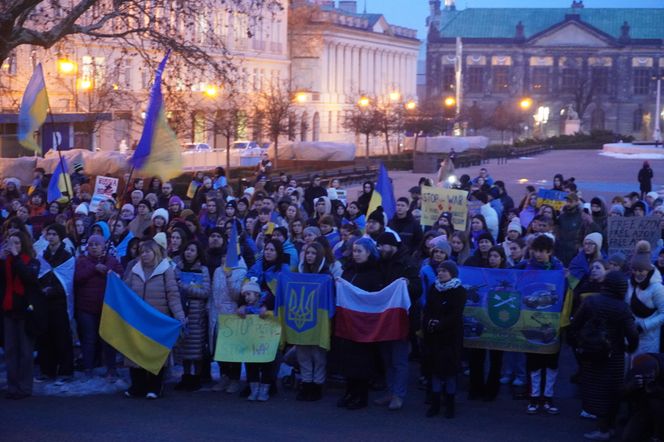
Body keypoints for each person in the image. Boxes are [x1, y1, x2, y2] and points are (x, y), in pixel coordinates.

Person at [569, 271, 639, 441]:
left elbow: (575, 325)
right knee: (612, 390)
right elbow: (632, 334)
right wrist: (630, 348)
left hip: (591, 353)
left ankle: (602, 429)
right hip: (613, 355)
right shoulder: (622, 308)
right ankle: (609, 427)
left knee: (595, 389)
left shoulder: (591, 301)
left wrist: (581, 345)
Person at [123, 240, 185, 399]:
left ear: (155, 253)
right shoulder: (134, 270)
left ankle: (155, 387)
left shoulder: (166, 270)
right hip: (137, 319)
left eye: (147, 251)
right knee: (135, 352)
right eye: (141, 252)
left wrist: (179, 315)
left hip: (157, 319)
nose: (144, 255)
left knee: (155, 352)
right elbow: (126, 291)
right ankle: (137, 386)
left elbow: (173, 295)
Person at [514, 235, 565, 415]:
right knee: (534, 361)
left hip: (553, 321)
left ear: (549, 252)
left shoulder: (558, 268)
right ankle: (534, 397)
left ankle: (548, 397)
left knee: (551, 362)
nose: (538, 254)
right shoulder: (525, 267)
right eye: (536, 250)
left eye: (542, 251)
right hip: (531, 318)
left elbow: (569, 289)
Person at [374, 231, 421, 411]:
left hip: (402, 318)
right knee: (386, 358)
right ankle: (390, 391)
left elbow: (417, 290)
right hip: (383, 317)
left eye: (382, 245)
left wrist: (408, 284)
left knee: (399, 359)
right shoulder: (380, 263)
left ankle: (398, 395)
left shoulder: (407, 263)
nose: (380, 249)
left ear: (392, 246)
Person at [336, 238, 384, 410]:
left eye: (359, 251)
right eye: (354, 251)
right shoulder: (348, 270)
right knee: (348, 359)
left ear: (368, 253)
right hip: (348, 322)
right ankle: (349, 392)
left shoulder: (374, 273)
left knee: (362, 361)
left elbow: (375, 298)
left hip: (364, 324)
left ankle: (361, 395)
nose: (356, 254)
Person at [74, 234, 123, 378]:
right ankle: (88, 369)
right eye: (91, 244)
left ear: (103, 247)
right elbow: (77, 278)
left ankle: (111, 368)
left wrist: (108, 271)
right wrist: (94, 269)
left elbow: (121, 276)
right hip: (86, 308)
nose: (94, 247)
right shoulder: (81, 261)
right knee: (89, 339)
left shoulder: (112, 261)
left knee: (108, 339)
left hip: (107, 308)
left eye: (97, 244)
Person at [423, 261, 467, 418]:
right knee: (434, 370)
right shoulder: (434, 288)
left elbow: (455, 314)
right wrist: (430, 322)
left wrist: (440, 323)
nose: (440, 273)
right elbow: (428, 308)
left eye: (444, 271)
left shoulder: (460, 291)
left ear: (452, 273)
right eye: (439, 270)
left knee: (449, 372)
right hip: (434, 335)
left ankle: (450, 405)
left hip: (450, 337)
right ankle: (435, 404)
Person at [1, 231, 41, 399]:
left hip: (26, 311)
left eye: (16, 243)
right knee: (10, 350)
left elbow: (29, 277)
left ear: (23, 244)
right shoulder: (5, 263)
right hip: (8, 310)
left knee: (25, 351)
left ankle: (24, 387)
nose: (13, 246)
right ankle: (12, 386)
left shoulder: (32, 262)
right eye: (10, 243)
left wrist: (16, 257)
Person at [37, 223, 74, 382]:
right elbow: (39, 275)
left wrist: (52, 290)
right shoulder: (43, 255)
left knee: (62, 337)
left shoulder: (67, 256)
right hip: (45, 303)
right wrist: (42, 289)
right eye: (49, 234)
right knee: (46, 337)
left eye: (54, 234)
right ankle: (47, 370)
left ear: (60, 236)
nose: (50, 237)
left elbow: (67, 281)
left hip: (59, 302)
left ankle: (65, 371)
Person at [296, 242, 332, 401]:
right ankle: (306, 383)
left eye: (313, 253)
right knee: (303, 353)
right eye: (307, 253)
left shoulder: (326, 274)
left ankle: (318, 385)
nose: (309, 256)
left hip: (319, 318)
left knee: (318, 354)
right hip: (302, 316)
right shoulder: (298, 272)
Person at [173, 241, 211, 392]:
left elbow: (205, 292)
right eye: (187, 249)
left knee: (196, 349)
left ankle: (196, 377)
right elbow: (173, 288)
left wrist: (185, 288)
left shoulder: (203, 269)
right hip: (182, 312)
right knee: (184, 347)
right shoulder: (178, 268)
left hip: (197, 314)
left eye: (192, 250)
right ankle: (186, 376)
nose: (189, 252)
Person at [237, 278, 275, 401]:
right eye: (244, 295)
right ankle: (254, 390)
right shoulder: (245, 308)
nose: (246, 298)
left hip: (265, 343)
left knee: (266, 365)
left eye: (249, 294)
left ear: (257, 294)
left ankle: (264, 390)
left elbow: (274, 317)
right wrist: (241, 309)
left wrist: (266, 310)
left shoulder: (266, 305)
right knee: (251, 365)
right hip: (251, 342)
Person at [626, 241, 664, 356]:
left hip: (649, 339)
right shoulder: (629, 284)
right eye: (635, 270)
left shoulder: (657, 288)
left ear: (648, 270)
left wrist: (644, 326)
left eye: (641, 270)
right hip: (629, 335)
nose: (637, 273)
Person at [622, 353, 664, 442]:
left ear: (655, 370)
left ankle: (657, 434)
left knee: (655, 401)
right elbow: (620, 396)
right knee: (629, 438)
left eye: (650, 376)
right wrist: (630, 387)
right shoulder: (636, 370)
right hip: (644, 408)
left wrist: (657, 390)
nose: (647, 378)